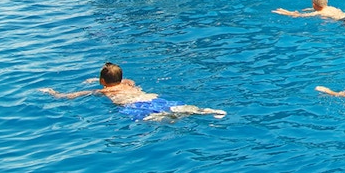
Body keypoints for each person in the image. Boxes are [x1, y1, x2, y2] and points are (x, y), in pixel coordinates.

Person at [41, 62, 225, 121]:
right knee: (179, 107)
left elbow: (73, 95)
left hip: (133, 105)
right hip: (150, 97)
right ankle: (206, 111)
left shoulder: (103, 92)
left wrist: (53, 93)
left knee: (153, 118)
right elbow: (127, 79)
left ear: (102, 82)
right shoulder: (127, 83)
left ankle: (164, 118)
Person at [273, 0, 345, 21]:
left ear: (314, 4)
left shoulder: (319, 13)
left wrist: (287, 12)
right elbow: (320, 7)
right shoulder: (330, 8)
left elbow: (300, 15)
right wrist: (311, 9)